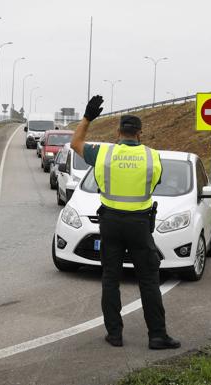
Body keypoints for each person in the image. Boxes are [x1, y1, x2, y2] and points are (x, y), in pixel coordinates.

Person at [70, 96, 180, 350]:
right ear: (140, 133)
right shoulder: (152, 157)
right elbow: (154, 184)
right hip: (140, 225)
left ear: (118, 132)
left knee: (110, 278)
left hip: (110, 222)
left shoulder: (104, 153)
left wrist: (87, 118)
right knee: (149, 280)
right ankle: (157, 336)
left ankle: (115, 334)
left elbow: (75, 143)